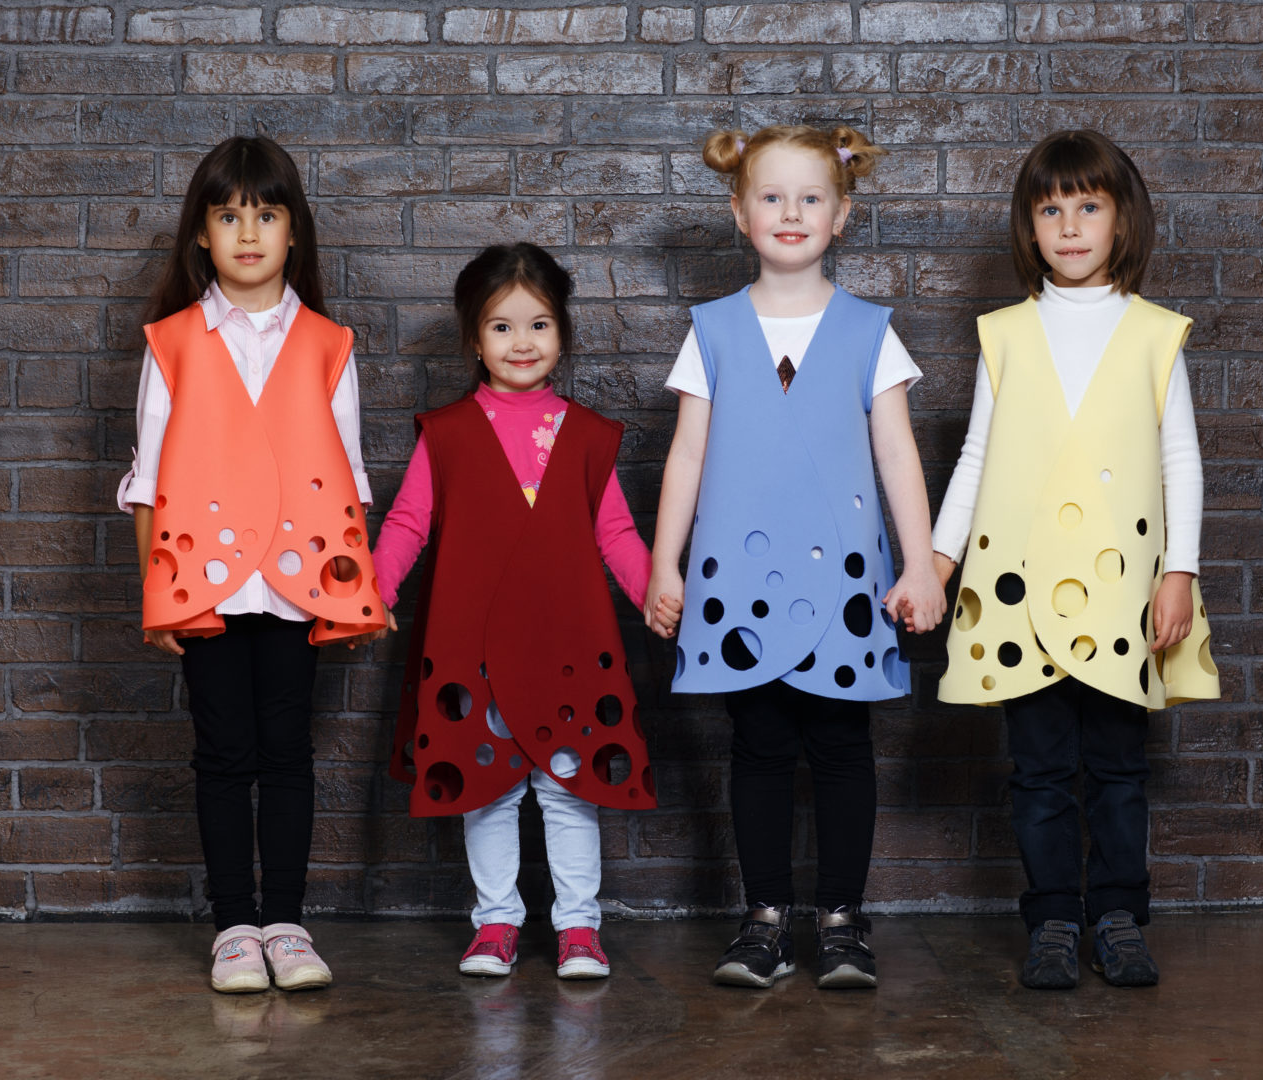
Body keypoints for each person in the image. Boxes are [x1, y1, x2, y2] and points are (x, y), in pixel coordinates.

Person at [644, 125, 945, 990]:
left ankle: (842, 921)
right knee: (760, 745)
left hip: (844, 584)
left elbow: (897, 455)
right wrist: (664, 566)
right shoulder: (712, 331)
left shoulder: (869, 331)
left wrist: (919, 565)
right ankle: (766, 920)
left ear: (841, 215)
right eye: (771, 196)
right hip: (738, 584)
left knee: (844, 746)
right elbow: (687, 456)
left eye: (811, 198)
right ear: (740, 213)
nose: (791, 212)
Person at [930, 129, 1220, 990]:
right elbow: (977, 457)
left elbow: (1180, 462)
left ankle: (1120, 915)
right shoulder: (1006, 335)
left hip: (1122, 596)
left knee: (1119, 769)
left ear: (1121, 218)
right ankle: (1054, 917)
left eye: (1088, 206)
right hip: (1020, 596)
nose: (1068, 225)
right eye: (1050, 209)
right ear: (1029, 225)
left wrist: (1179, 573)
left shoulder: (1155, 334)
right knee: (1041, 771)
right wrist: (938, 562)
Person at [118, 135, 385, 993]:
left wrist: (353, 596)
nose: (247, 233)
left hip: (298, 585)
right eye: (228, 216)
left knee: (288, 754)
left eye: (266, 215)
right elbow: (149, 480)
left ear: (293, 230)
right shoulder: (173, 342)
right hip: (205, 586)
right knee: (223, 754)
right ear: (201, 233)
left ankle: (288, 926)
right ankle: (235, 927)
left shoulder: (328, 343)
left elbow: (349, 475)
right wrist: (157, 594)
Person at [372, 243, 677, 981]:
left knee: (569, 791)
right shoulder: (447, 433)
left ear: (562, 334)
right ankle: (497, 922)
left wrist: (655, 593)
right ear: (474, 340)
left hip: (567, 646)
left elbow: (615, 533)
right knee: (489, 792)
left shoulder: (586, 436)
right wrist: (373, 592)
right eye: (501, 326)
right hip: (472, 647)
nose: (522, 342)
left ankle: (579, 929)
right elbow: (409, 520)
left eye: (539, 324)